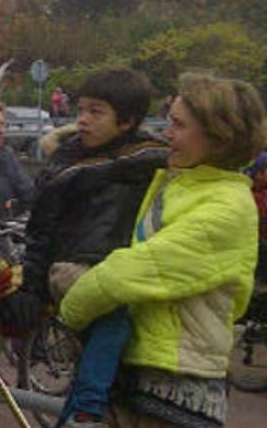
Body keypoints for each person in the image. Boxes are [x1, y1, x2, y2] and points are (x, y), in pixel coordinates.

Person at [59, 73, 265, 428]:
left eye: (179, 125)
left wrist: (71, 309)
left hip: (175, 390)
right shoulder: (174, 182)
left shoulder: (228, 208)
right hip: (134, 376)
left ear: (219, 136)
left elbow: (127, 274)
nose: (167, 133)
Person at [1, 68, 168, 428]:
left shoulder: (151, 163)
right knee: (113, 326)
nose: (83, 120)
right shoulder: (67, 166)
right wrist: (31, 287)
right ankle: (85, 409)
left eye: (96, 112)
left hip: (124, 271)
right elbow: (40, 230)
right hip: (77, 270)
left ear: (127, 122)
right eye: (81, 110)